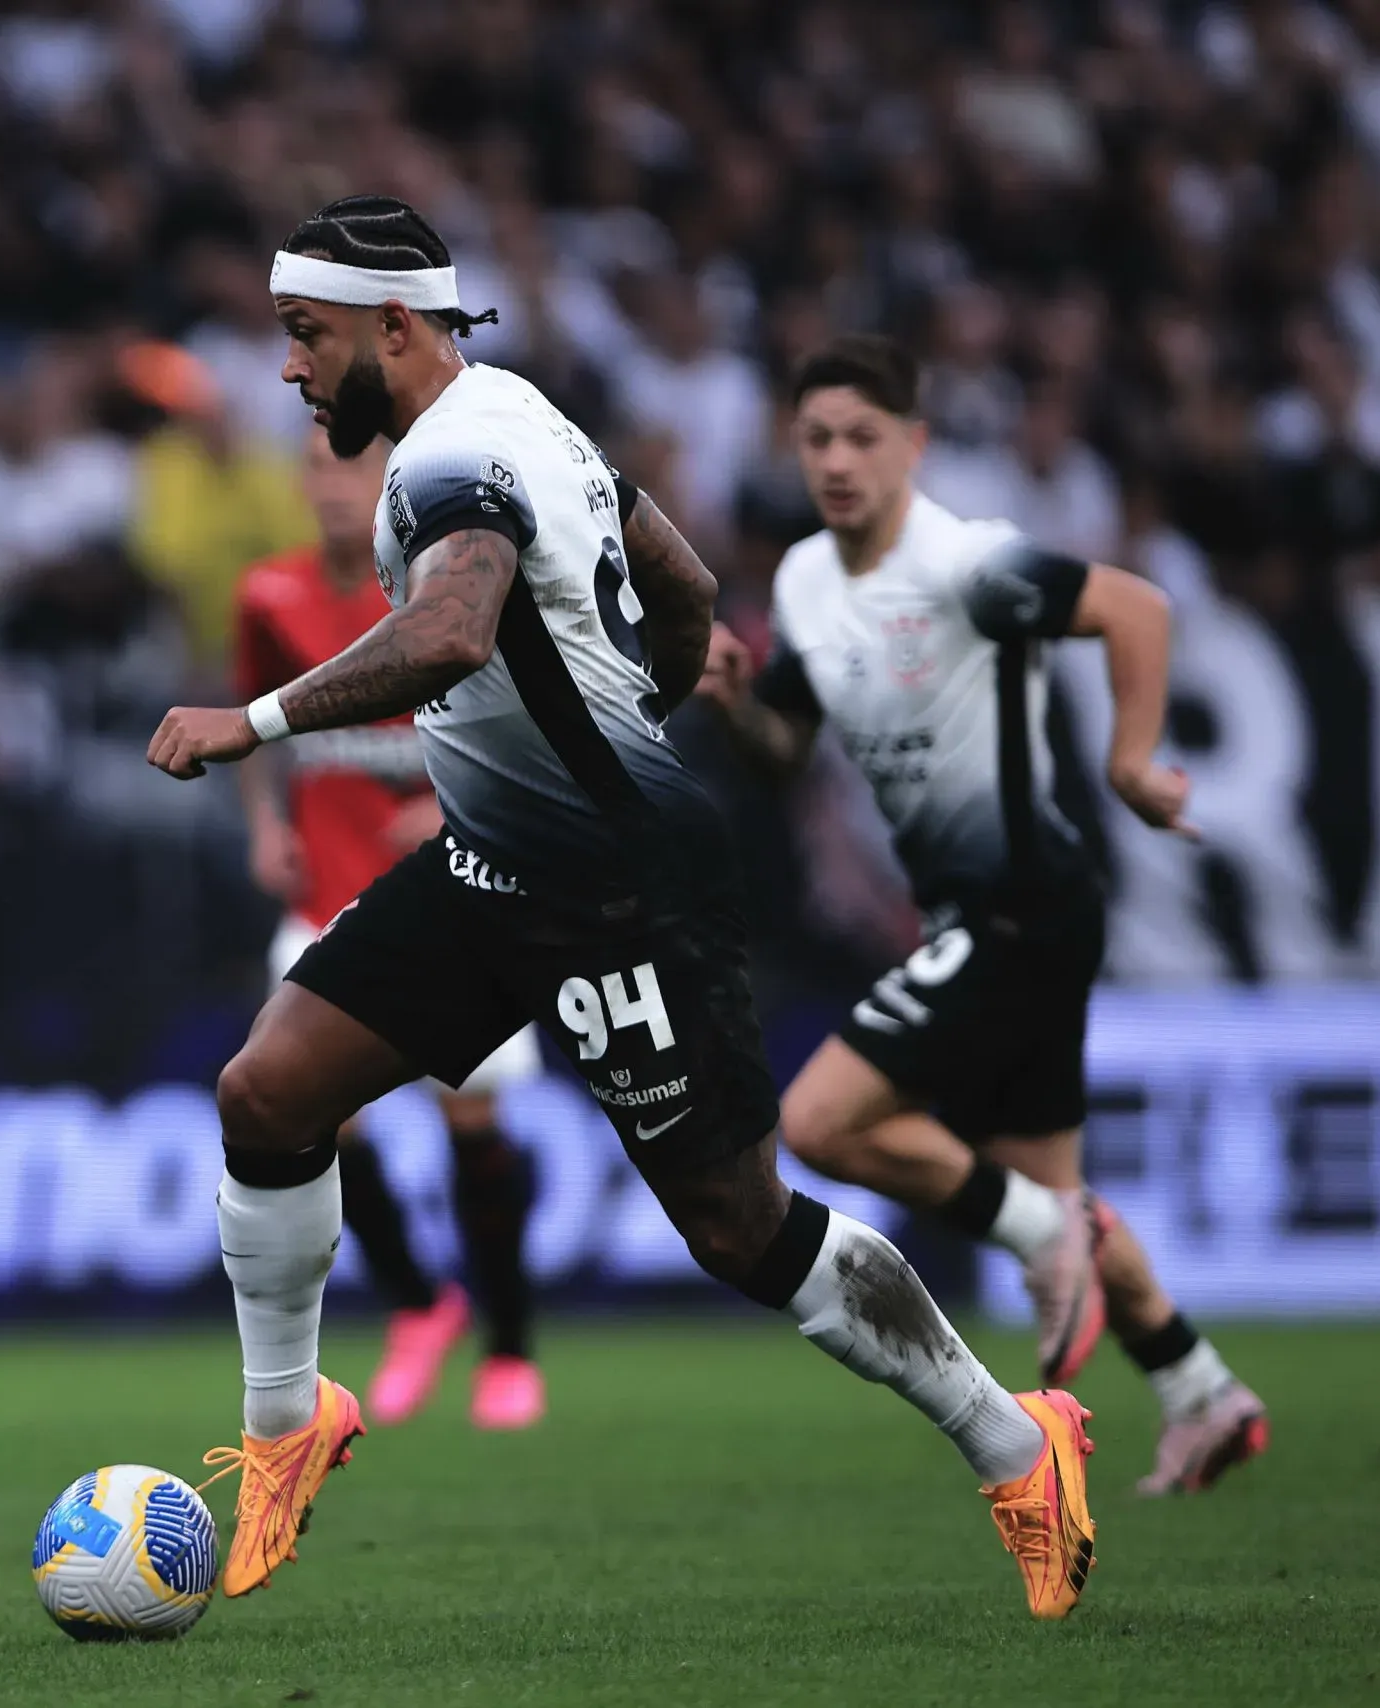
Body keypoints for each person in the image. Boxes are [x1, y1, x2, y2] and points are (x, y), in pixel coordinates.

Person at [148, 195, 1094, 1620]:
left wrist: (258, 720)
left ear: (391, 327)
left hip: (617, 888)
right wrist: (622, 712)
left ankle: (1022, 1448)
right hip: (493, 860)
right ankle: (290, 1425)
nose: (288, 369)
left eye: (305, 336)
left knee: (740, 1227)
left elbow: (453, 629)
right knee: (268, 1096)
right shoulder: (530, 414)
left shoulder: (455, 458)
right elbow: (687, 581)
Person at [697, 334, 1268, 1497]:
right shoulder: (805, 583)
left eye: (865, 436)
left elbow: (1136, 608)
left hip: (1021, 908)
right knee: (1052, 1205)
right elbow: (784, 753)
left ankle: (1043, 1235)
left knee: (821, 1121)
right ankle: (1201, 1388)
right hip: (986, 911)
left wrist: (1128, 763)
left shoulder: (968, 565)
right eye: (818, 439)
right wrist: (735, 703)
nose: (839, 460)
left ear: (913, 445)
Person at [237, 424, 547, 1432]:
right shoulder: (269, 595)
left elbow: (524, 721)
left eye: (353, 471)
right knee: (308, 1113)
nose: (333, 490)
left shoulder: (440, 592)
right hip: (324, 902)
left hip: (456, 895)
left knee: (473, 1125)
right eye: (318, 470)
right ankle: (420, 1302)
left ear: (387, 483)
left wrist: (462, 807)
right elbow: (247, 713)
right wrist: (263, 825)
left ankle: (507, 1348)